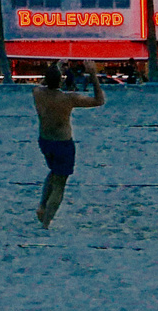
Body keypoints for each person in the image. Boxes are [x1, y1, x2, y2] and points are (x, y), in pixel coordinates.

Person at [30, 62, 106, 229]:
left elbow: (43, 84)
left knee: (53, 172)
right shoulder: (68, 98)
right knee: (60, 183)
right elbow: (99, 100)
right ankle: (46, 223)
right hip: (62, 143)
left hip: (45, 140)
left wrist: (56, 67)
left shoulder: (37, 93)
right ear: (61, 81)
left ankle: (42, 205)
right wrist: (93, 75)